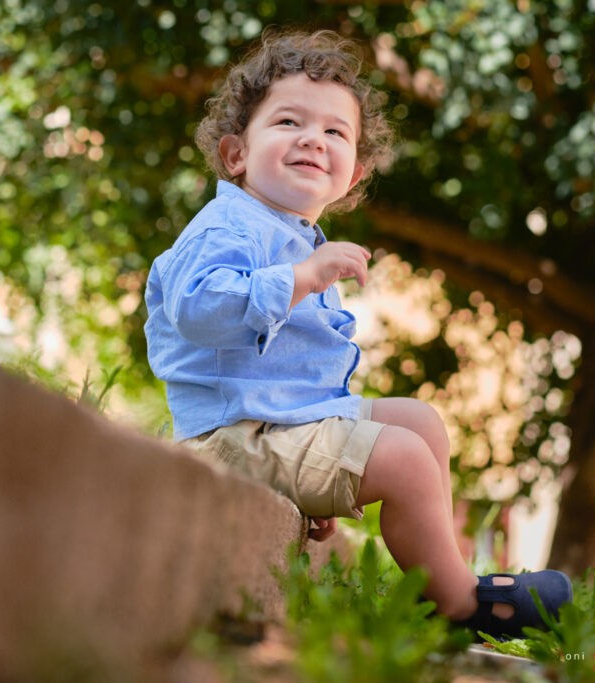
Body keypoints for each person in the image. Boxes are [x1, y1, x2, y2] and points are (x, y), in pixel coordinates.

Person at [143, 29, 571, 640]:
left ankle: (442, 577)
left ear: (353, 174)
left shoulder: (294, 235)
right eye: (288, 122)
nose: (313, 139)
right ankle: (461, 607)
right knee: (403, 459)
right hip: (233, 437)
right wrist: (300, 278)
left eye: (335, 132)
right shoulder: (228, 226)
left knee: (420, 423)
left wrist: (316, 473)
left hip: (278, 424)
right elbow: (196, 310)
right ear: (236, 153)